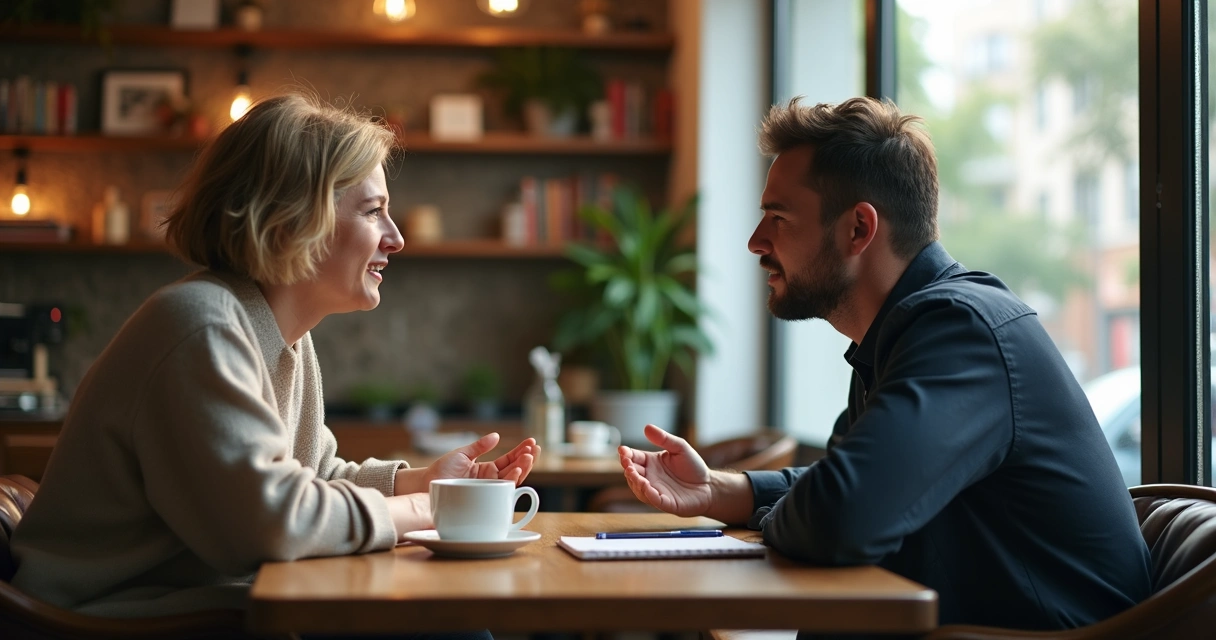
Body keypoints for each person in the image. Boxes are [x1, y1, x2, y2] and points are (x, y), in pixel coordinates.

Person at [616, 97, 1152, 634]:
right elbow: (846, 487)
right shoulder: (900, 335)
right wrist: (718, 490)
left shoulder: (961, 330)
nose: (756, 242)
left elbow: (841, 515)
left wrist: (782, 513)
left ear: (858, 229)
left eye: (778, 218)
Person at [10, 93, 539, 633]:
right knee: (453, 626)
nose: (396, 238)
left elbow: (311, 476)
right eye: (373, 210)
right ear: (292, 219)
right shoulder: (202, 326)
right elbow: (271, 524)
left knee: (451, 622)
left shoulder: (279, 332)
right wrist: (431, 512)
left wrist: (421, 483)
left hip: (199, 608)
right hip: (107, 622)